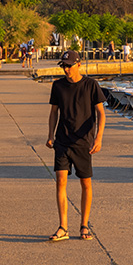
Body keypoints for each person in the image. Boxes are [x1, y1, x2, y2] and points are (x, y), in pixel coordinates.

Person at [45, 50, 105, 243]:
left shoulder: (91, 85)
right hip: (62, 140)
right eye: (64, 66)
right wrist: (50, 135)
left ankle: (84, 225)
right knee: (61, 180)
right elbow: (54, 112)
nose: (66, 69)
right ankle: (63, 227)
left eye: (69, 65)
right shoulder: (58, 86)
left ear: (79, 65)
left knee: (85, 183)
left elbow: (101, 114)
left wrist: (98, 138)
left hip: (83, 142)